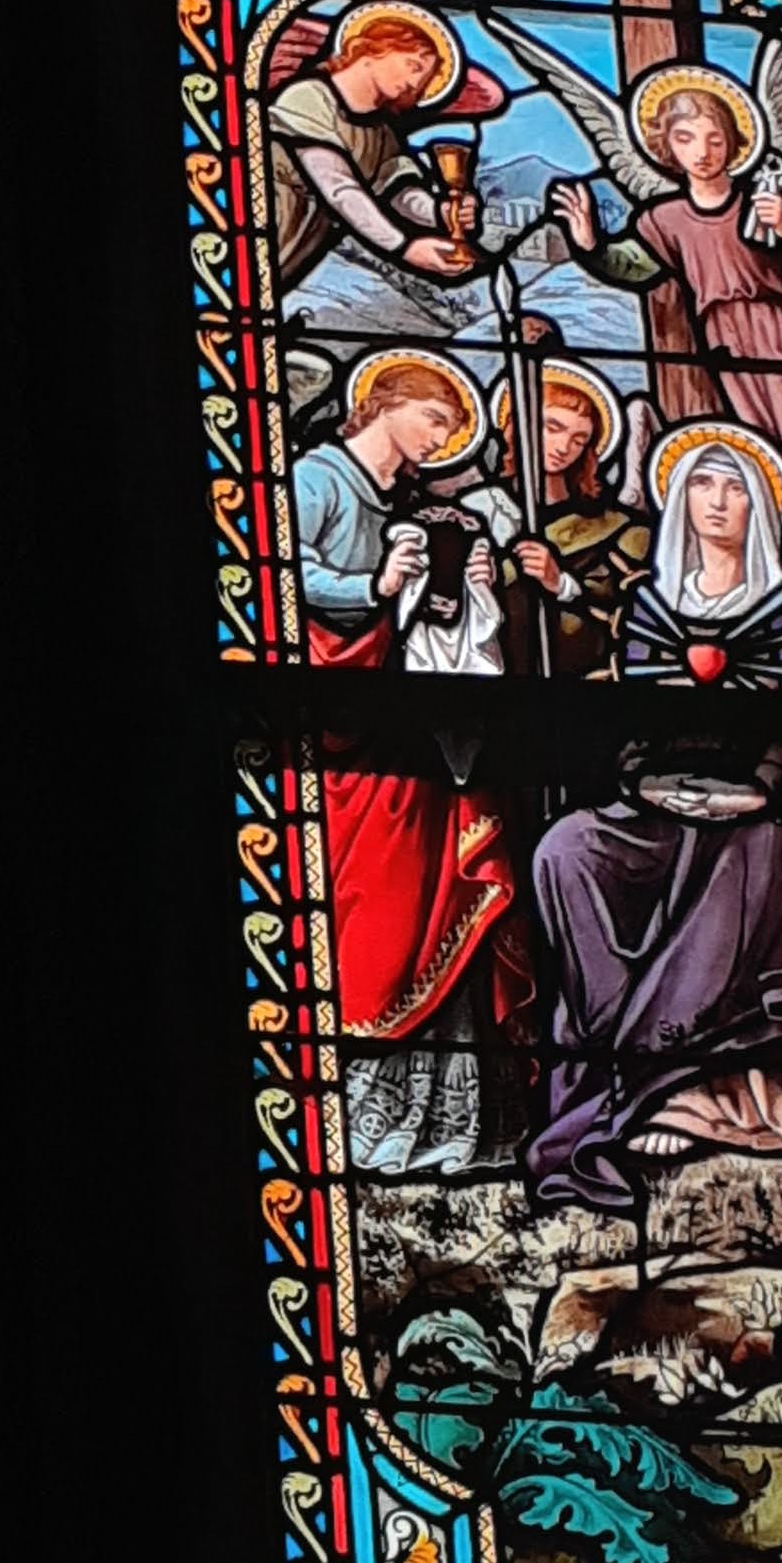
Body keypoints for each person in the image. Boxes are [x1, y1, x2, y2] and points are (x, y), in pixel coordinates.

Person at [538, 63, 782, 661]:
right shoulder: (664, 220)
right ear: (666, 149)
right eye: (685, 139)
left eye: (714, 137)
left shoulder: (774, 198)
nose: (702, 151)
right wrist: (589, 241)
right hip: (734, 360)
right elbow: (630, 266)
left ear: (736, 140)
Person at [525, 738, 782, 1209]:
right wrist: (639, 774)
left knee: (766, 845)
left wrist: (773, 776)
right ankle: (626, 1074)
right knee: (567, 846)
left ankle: (698, 1088)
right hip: (659, 803)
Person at [295, 350, 524, 1172]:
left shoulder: (412, 506)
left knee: (441, 892)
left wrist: (479, 585)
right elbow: (278, 572)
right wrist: (373, 585)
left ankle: (451, 1123)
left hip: (414, 732)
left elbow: (434, 619)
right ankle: (353, 1119)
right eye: (433, 419)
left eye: (451, 430)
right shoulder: (318, 478)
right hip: (346, 731)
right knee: (377, 911)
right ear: (385, 403)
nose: (439, 440)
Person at [265, 1, 503, 299]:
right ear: (369, 49)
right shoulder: (308, 98)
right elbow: (340, 189)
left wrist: (442, 213)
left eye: (426, 78)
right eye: (414, 65)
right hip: (258, 230)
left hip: (291, 255)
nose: (416, 83)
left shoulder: (380, 133)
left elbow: (397, 193)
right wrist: (404, 247)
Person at [617, 424, 782, 692]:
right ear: (681, 496)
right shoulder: (650, 606)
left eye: (737, 487)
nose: (718, 502)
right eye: (702, 483)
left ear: (758, 503)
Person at [501, 353, 649, 678]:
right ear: (518, 425)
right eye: (553, 427)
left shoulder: (614, 529)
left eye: (579, 439)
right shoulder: (482, 508)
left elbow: (625, 610)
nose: (563, 446)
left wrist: (562, 583)